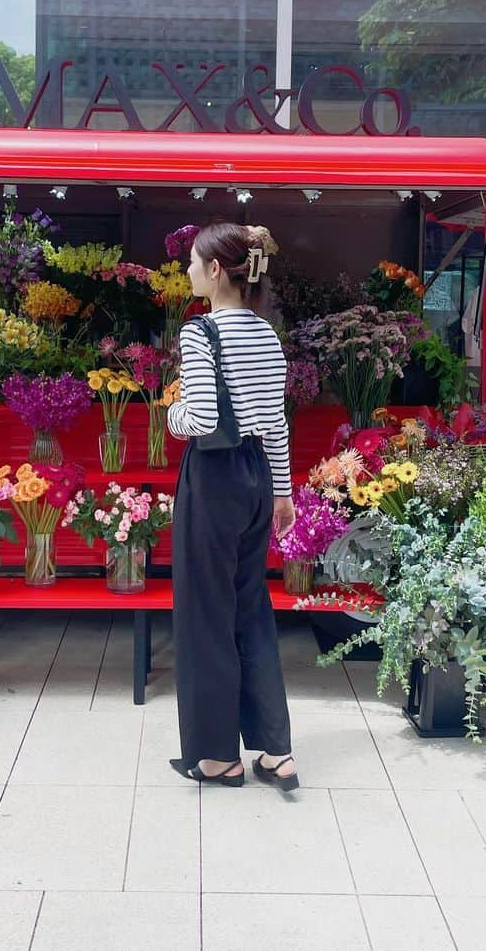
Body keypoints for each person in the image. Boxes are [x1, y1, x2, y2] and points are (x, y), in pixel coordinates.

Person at [165, 222, 299, 792]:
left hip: (215, 479)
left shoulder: (200, 335)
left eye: (194, 263)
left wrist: (171, 415)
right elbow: (275, 421)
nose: (189, 272)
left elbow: (199, 420)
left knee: (205, 615)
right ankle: (276, 751)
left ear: (217, 270)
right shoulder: (268, 335)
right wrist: (284, 491)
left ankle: (218, 755)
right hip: (257, 478)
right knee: (251, 611)